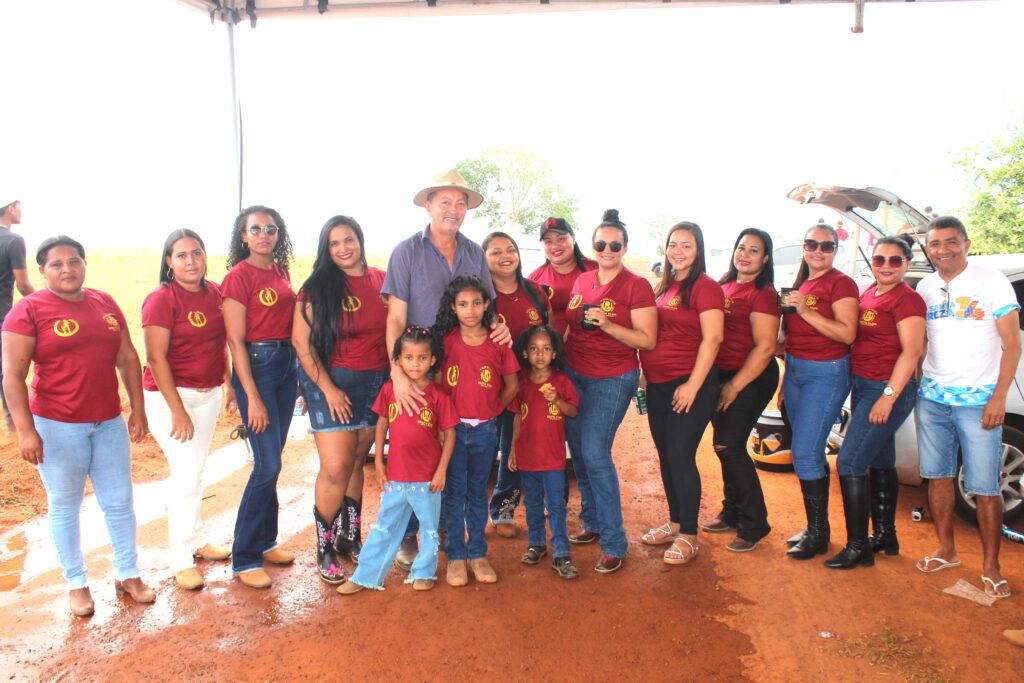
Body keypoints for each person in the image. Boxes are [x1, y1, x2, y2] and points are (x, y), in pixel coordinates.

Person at [2, 235, 153, 617]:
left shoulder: (104, 302)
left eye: (74, 261)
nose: (67, 269)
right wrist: (26, 430)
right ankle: (76, 583)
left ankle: (128, 573)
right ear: (42, 270)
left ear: (85, 264)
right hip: (56, 426)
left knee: (119, 501)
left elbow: (127, 358)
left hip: (108, 422)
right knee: (66, 505)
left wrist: (137, 409)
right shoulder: (28, 311)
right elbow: (13, 376)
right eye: (57, 264)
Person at [381, 169, 507, 569]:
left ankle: (450, 535)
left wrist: (499, 327)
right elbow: (395, 318)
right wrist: (398, 374)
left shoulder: (474, 253)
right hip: (418, 373)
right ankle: (408, 536)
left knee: (451, 455)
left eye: (460, 203)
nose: (453, 209)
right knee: (413, 454)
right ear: (428, 205)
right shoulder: (406, 252)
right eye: (445, 202)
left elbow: (486, 307)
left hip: (464, 370)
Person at [915, 216, 1020, 599]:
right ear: (928, 249)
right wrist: (919, 378)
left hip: (978, 401)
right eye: (935, 243)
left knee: (985, 487)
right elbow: (923, 340)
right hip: (932, 399)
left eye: (951, 242)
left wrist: (999, 397)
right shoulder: (925, 287)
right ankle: (946, 550)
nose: (943, 250)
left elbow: (1013, 345)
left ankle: (991, 567)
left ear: (966, 244)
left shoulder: (991, 280)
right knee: (938, 477)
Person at [292, 216, 388, 584]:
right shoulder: (317, 288)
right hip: (330, 385)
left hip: (374, 384)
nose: (343, 248)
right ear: (326, 249)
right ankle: (325, 547)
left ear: (360, 240)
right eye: (334, 243)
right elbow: (301, 344)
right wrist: (329, 390)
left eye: (349, 239)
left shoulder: (382, 280)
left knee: (355, 463)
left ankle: (350, 536)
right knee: (335, 467)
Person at [563, 209, 657, 574]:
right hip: (575, 374)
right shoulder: (583, 280)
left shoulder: (636, 286)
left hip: (613, 377)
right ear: (592, 246)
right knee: (578, 451)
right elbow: (571, 328)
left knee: (594, 451)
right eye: (601, 244)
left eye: (615, 245)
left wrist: (608, 324)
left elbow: (647, 340)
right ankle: (593, 520)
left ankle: (615, 542)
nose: (607, 250)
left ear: (625, 248)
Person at [142, 229, 236, 590]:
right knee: (185, 474)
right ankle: (180, 557)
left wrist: (228, 383)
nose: (191, 261)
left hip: (207, 393)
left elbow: (221, 343)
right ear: (169, 261)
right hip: (170, 397)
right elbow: (155, 357)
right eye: (181, 255)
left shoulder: (215, 293)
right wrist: (177, 409)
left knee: (197, 470)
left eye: (196, 253)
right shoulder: (161, 299)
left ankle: (195, 539)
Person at [825, 236, 925, 570]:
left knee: (850, 463)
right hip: (865, 385)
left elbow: (912, 351)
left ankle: (858, 547)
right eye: (880, 259)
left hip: (886, 388)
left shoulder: (907, 300)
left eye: (895, 260)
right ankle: (884, 537)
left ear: (906, 264)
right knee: (881, 459)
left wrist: (888, 397)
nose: (886, 266)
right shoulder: (869, 293)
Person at [338, 327, 458, 594]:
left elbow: (450, 435)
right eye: (409, 357)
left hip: (427, 478)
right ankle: (366, 576)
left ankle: (424, 572)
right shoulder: (389, 390)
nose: (415, 364)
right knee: (384, 526)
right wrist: (380, 464)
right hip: (396, 476)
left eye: (422, 358)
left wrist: (441, 471)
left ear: (433, 360)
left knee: (429, 528)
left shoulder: (439, 395)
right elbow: (381, 425)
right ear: (398, 360)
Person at [221, 205, 298, 589]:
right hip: (258, 367)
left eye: (270, 229)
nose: (264, 235)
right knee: (266, 465)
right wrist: (250, 395)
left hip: (286, 365)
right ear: (243, 236)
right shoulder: (238, 277)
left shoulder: (280, 271)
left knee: (274, 461)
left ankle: (267, 541)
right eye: (256, 229)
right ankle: (245, 557)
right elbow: (235, 340)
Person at [639, 222, 724, 565]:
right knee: (666, 453)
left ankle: (689, 533)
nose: (678, 251)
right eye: (673, 244)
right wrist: (645, 375)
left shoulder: (705, 287)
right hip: (659, 384)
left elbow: (713, 339)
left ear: (698, 249)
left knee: (679, 453)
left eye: (687, 245)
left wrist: (692, 385)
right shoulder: (664, 286)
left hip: (691, 383)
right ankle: (675, 522)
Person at [434, 276, 519, 586]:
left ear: (486, 306)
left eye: (476, 303)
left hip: (485, 430)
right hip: (453, 432)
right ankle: (456, 556)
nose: (470, 310)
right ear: (453, 308)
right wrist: (442, 425)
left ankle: (478, 553)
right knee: (455, 492)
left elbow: (512, 385)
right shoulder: (446, 342)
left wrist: (493, 411)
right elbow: (438, 387)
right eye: (462, 304)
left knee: (478, 491)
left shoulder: (498, 342)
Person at [781, 223, 859, 560]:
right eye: (812, 244)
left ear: (835, 250)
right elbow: (790, 339)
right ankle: (817, 527)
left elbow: (847, 334)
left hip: (825, 373)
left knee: (804, 451)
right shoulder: (803, 283)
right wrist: (784, 380)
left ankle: (817, 533)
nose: (818, 250)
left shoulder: (841, 283)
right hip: (796, 371)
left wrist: (804, 310)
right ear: (804, 246)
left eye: (826, 246)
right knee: (809, 452)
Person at [702, 228, 780, 552]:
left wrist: (734, 386)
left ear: (765, 258)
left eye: (754, 250)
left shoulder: (763, 294)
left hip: (751, 376)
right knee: (724, 446)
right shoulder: (724, 283)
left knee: (729, 445)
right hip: (721, 375)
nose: (744, 255)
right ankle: (731, 510)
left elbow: (766, 348)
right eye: (741, 248)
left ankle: (754, 523)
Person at [483, 231, 552, 539]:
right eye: (496, 252)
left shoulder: (535, 291)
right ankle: (464, 515)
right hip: (488, 386)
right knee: (484, 450)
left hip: (528, 386)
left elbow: (548, 335)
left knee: (516, 447)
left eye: (510, 249)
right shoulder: (481, 297)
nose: (505, 256)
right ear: (484, 259)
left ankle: (503, 510)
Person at [508, 325, 580, 580]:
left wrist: (556, 400)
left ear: (554, 353)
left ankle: (561, 552)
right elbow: (518, 417)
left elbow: (573, 411)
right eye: (534, 349)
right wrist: (513, 450)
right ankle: (536, 544)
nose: (540, 354)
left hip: (552, 460)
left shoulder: (561, 381)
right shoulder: (522, 383)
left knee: (556, 505)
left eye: (546, 349)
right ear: (525, 353)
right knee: (532, 502)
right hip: (527, 457)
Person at [0, 196, 35, 430]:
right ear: (11, 208)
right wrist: (48, 302)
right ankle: (13, 420)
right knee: (8, 368)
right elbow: (23, 285)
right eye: (19, 207)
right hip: (2, 314)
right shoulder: (13, 241)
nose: (21, 211)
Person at [528, 217, 597, 335]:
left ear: (573, 238)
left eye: (561, 239)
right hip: (551, 344)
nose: (555, 246)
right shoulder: (535, 278)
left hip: (592, 343)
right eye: (548, 242)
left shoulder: (596, 270)